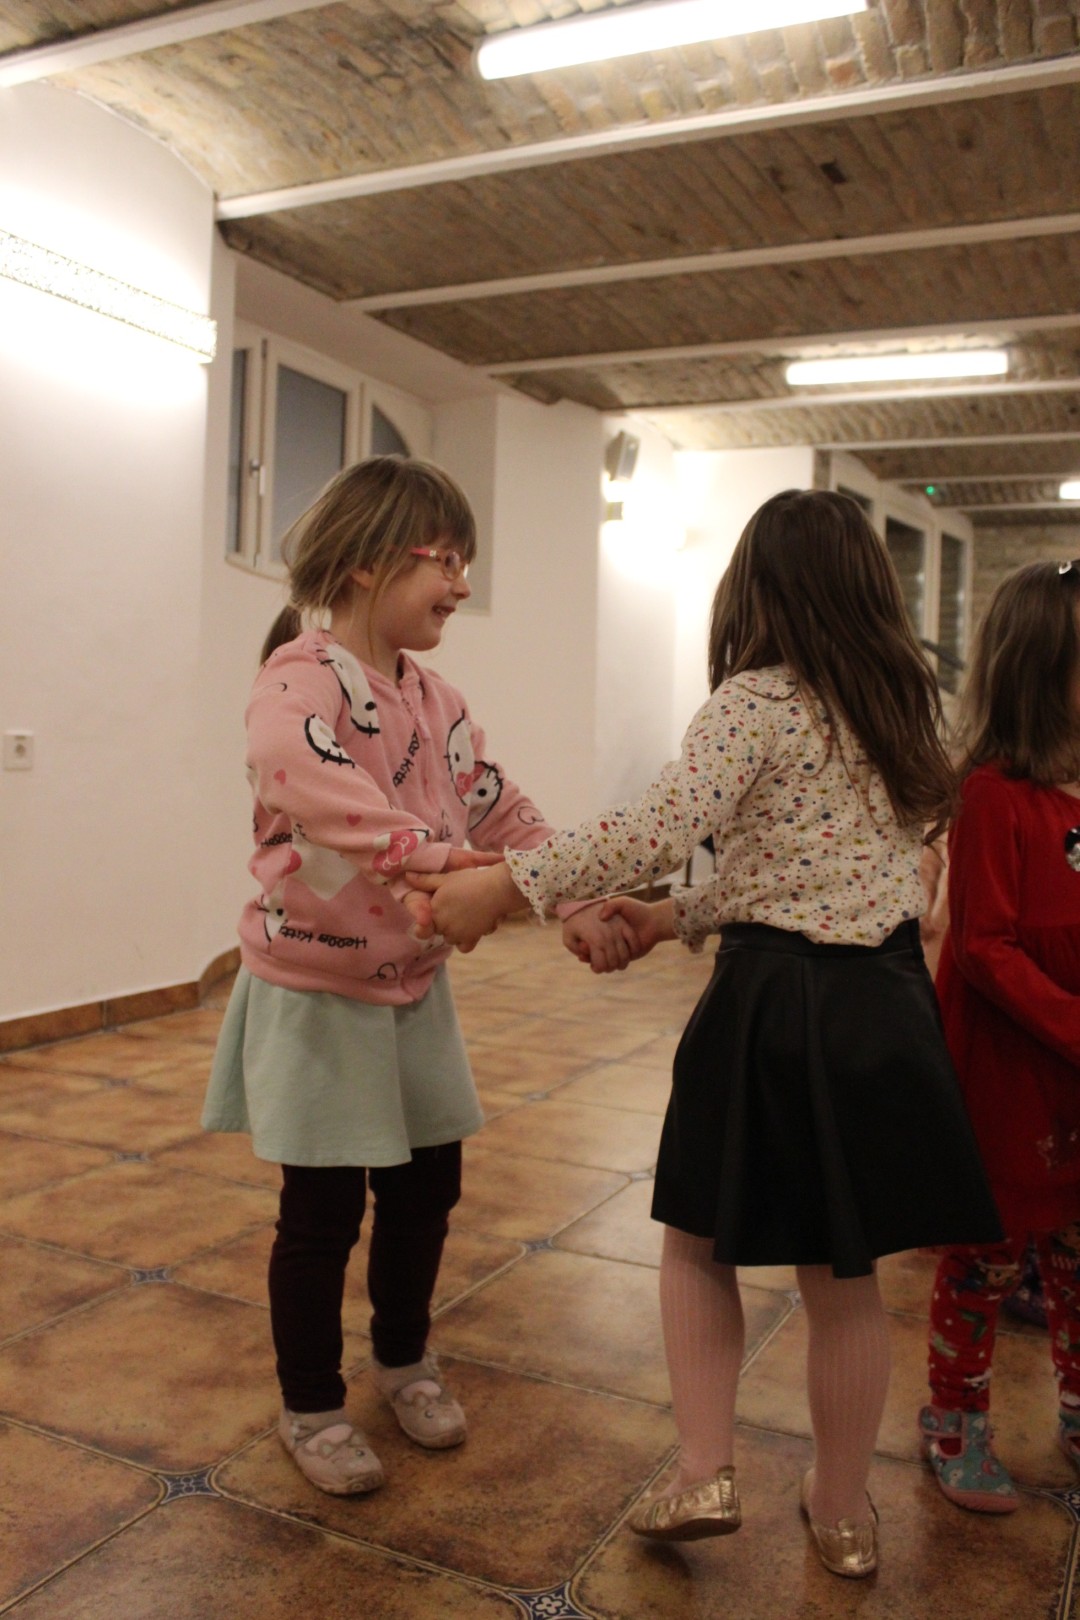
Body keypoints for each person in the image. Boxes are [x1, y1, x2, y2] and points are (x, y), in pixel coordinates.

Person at [409, 488, 1002, 1577]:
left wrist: (509, 884)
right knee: (843, 1274)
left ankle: (704, 1471)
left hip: (770, 1010)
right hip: (881, 1011)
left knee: (695, 1239)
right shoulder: (900, 713)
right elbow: (806, 873)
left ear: (755, 589)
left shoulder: (754, 701)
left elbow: (659, 825)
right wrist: (668, 916)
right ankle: (843, 1511)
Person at [202, 456, 631, 1497]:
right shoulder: (298, 681)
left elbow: (499, 806)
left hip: (412, 986)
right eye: (447, 561)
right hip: (317, 992)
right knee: (320, 1214)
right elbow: (325, 794)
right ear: (366, 562)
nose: (463, 585)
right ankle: (312, 1405)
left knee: (426, 1189)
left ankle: (403, 1359)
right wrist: (460, 869)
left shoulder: (437, 699)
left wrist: (571, 892)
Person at [916, 560, 1080, 1513]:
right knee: (986, 1259)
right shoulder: (992, 796)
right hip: (1012, 1074)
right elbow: (984, 947)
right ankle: (954, 1419)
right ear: (1043, 671)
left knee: (1077, 1256)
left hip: (1072, 1075)